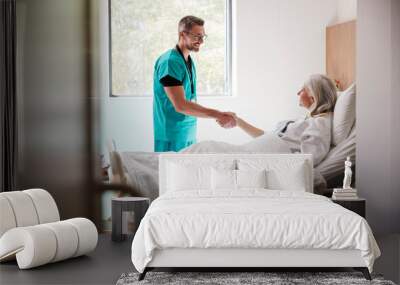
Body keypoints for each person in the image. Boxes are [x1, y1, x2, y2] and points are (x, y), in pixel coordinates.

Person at [183, 74, 337, 166]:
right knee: (204, 149)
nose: (298, 92)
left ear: (313, 96)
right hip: (250, 153)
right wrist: (238, 121)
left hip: (257, 160)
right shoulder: (308, 120)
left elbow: (308, 160)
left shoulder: (320, 124)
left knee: (205, 149)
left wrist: (273, 164)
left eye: (303, 89)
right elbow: (266, 136)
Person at [153, 15, 236, 152]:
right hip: (171, 135)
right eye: (197, 36)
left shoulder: (188, 60)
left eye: (203, 36)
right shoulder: (170, 62)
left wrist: (220, 115)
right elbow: (180, 105)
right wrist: (218, 115)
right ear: (182, 34)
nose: (201, 41)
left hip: (188, 132)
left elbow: (189, 101)